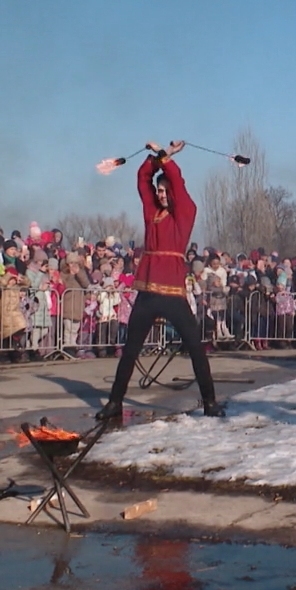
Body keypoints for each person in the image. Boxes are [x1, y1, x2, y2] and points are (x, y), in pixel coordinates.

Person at [97, 141, 223, 421]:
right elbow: (142, 179)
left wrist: (168, 158)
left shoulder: (186, 213)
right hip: (148, 292)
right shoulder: (150, 212)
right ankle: (115, 402)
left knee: (194, 348)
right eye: (160, 190)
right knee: (130, 350)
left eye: (166, 191)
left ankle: (210, 402)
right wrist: (156, 159)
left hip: (173, 294)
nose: (162, 194)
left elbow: (177, 182)